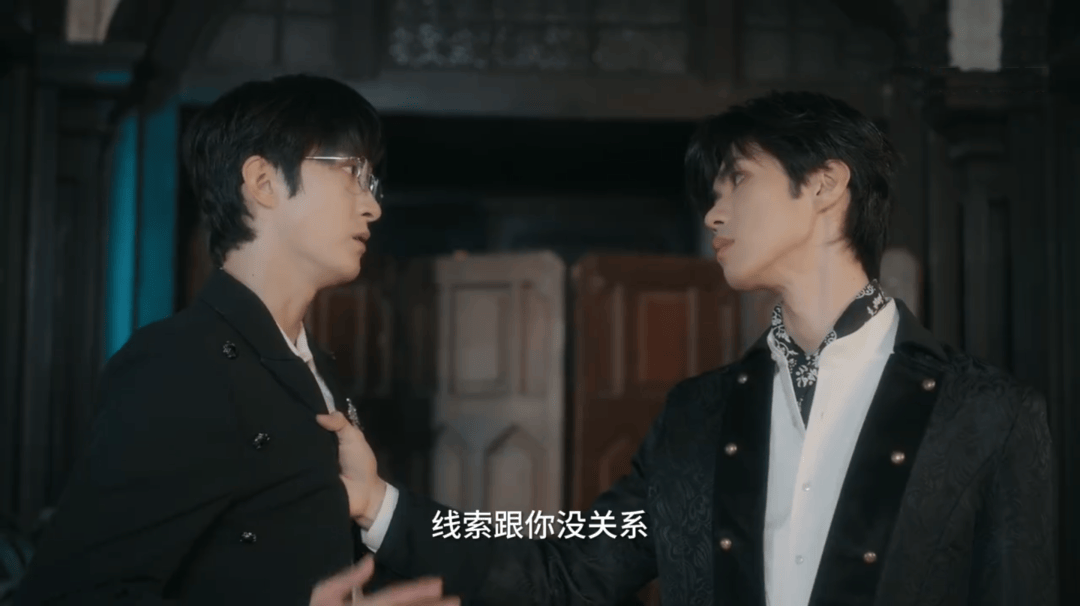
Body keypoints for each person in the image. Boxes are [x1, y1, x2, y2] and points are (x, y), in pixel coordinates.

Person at [321, 91, 1057, 606]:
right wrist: (382, 504)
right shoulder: (699, 415)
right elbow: (569, 562)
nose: (713, 212)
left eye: (738, 179)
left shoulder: (987, 415)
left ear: (826, 185)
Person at [15, 74, 457, 606]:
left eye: (372, 182)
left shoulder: (314, 364)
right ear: (264, 181)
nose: (372, 207)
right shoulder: (181, 363)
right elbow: (66, 595)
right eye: (351, 173)